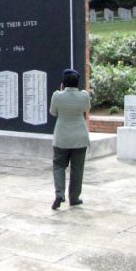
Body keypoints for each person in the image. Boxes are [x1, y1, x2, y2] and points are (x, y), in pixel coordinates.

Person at [49, 69, 91, 210]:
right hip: (80, 138)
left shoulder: (57, 96)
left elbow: (53, 112)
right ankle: (74, 198)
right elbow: (87, 108)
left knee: (59, 166)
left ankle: (59, 193)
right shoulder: (84, 96)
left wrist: (61, 92)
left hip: (62, 137)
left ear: (63, 83)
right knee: (77, 169)